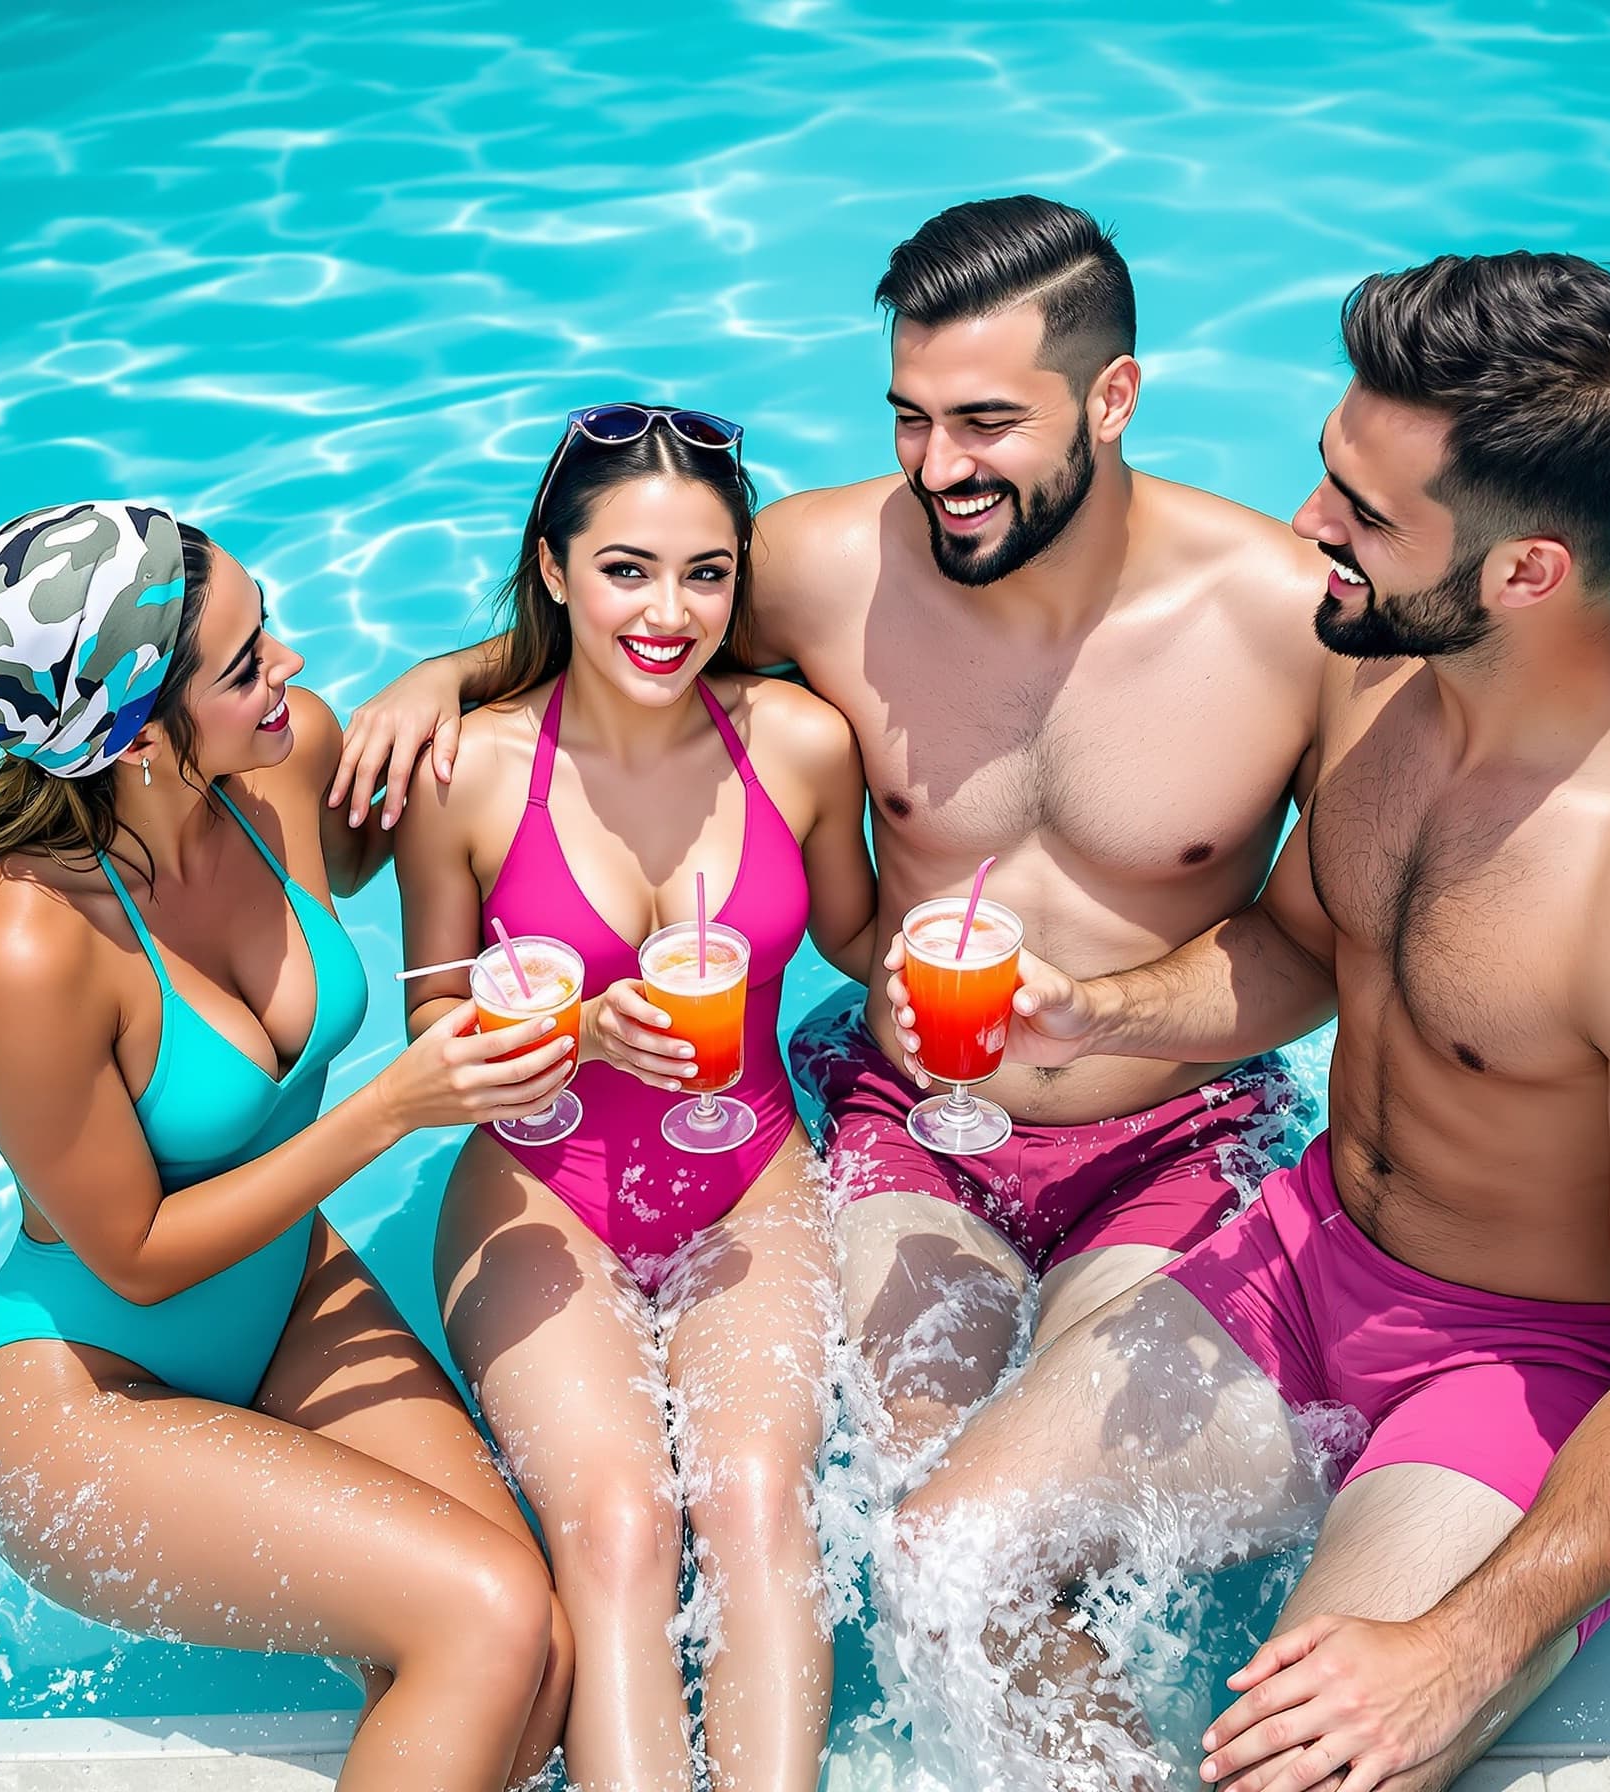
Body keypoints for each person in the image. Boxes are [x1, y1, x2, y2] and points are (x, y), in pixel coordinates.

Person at [879, 253, 1610, 1791]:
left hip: (1536, 1364)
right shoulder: (1386, 671)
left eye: (1364, 514)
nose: (1311, 529)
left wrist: (1464, 1645)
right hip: (1313, 1257)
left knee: (1296, 1764)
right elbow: (1302, 950)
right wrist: (1090, 1010)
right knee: (943, 1566)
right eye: (1327, 474)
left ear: (1527, 569)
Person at [335, 195, 1327, 1471]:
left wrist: (1107, 1009)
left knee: (1054, 1501)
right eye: (910, 418)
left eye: (986, 423)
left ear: (1112, 397)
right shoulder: (822, 563)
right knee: (912, 1476)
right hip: (908, 1112)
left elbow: (1320, 950)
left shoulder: (1288, 626)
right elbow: (637, 631)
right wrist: (453, 671)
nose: (938, 469)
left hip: (1171, 1137)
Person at [0, 502, 579, 1792]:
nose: (295, 669)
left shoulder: (277, 762)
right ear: (140, 727)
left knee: (534, 1640)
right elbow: (137, 1255)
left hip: (283, 1293)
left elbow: (458, 728)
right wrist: (390, 1107)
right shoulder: (26, 945)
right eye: (251, 657)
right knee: (481, 1616)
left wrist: (445, 675)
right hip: (88, 1390)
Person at [392, 406, 878, 1791]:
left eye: (706, 574)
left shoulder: (797, 742)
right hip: (543, 1190)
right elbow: (435, 1017)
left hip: (750, 1178)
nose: (670, 613)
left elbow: (855, 938)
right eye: (626, 571)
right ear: (552, 572)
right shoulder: (473, 768)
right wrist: (579, 1030)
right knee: (616, 1529)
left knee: (752, 1502)